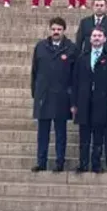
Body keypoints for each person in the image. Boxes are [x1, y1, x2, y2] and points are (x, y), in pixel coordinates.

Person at [30, 17, 78, 172]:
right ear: (49, 30)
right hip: (44, 95)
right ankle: (41, 162)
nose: (56, 32)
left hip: (62, 96)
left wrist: (73, 99)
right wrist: (36, 93)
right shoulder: (40, 47)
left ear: (64, 30)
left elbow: (75, 75)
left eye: (59, 29)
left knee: (60, 132)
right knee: (42, 132)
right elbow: (34, 71)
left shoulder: (71, 48)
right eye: (53, 29)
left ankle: (59, 162)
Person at [70, 27, 107, 173]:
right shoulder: (82, 58)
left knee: (99, 136)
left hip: (102, 102)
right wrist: (74, 103)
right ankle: (83, 163)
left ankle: (96, 164)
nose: (96, 38)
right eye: (94, 36)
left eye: (99, 36)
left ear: (104, 39)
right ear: (90, 39)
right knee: (84, 136)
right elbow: (75, 81)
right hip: (84, 101)